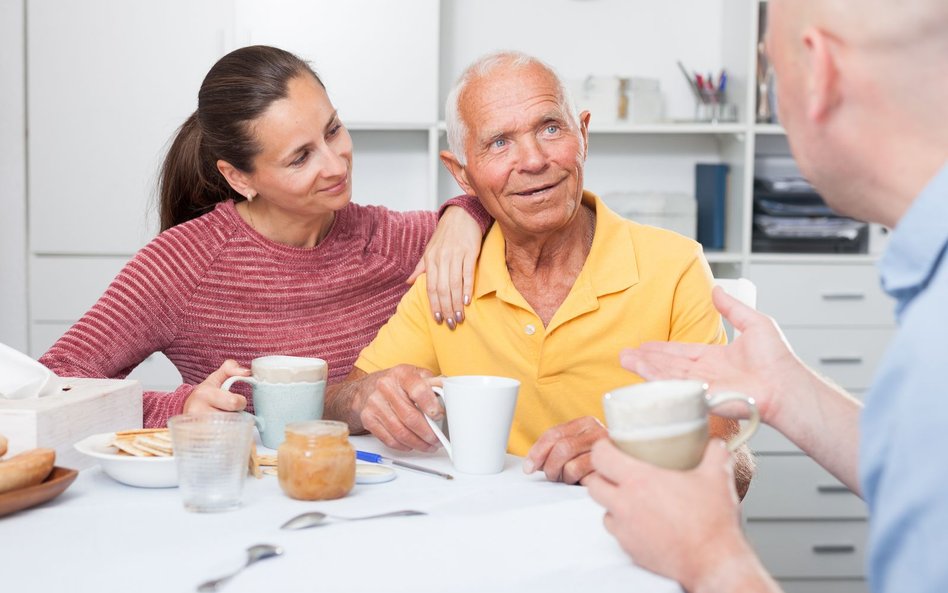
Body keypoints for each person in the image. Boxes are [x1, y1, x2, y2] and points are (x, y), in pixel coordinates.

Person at [586, 0, 948, 591]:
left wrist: (712, 558)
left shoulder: (937, 349)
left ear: (819, 72)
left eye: (772, 70)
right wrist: (788, 393)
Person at [325, 51, 754, 493]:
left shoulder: (675, 267)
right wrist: (361, 398)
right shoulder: (449, 277)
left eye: (550, 129)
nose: (532, 160)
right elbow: (339, 402)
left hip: (630, 533)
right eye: (499, 142)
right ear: (462, 173)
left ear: (583, 134)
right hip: (490, 536)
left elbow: (733, 467)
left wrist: (634, 455)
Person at [39, 45, 492, 428]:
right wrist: (175, 407)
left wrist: (466, 211)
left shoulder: (395, 242)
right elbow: (51, 383)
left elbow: (523, 212)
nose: (336, 165)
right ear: (239, 177)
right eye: (300, 158)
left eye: (333, 130)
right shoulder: (183, 265)